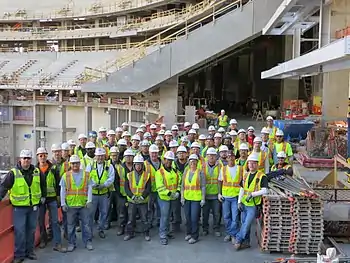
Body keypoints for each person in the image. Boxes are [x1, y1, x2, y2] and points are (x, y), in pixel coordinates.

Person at [0, 149, 47, 263]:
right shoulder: (13, 173)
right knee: (20, 231)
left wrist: (43, 197)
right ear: (20, 159)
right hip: (19, 208)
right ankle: (19, 255)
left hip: (33, 207)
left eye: (28, 158)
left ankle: (29, 252)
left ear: (31, 159)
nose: (26, 160)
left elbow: (43, 185)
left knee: (31, 230)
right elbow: (3, 188)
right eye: (24, 158)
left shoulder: (36, 171)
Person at [235, 153, 268, 250]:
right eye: (250, 163)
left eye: (254, 163)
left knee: (246, 224)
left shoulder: (262, 176)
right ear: (248, 164)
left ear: (257, 164)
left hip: (253, 205)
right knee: (244, 223)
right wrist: (239, 201)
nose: (251, 165)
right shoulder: (245, 175)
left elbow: (265, 190)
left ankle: (238, 239)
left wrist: (253, 194)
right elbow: (242, 189)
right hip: (244, 203)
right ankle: (246, 242)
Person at [60, 155, 93, 252]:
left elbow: (90, 187)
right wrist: (63, 203)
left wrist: (89, 200)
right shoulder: (66, 175)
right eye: (73, 163)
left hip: (83, 205)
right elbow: (62, 190)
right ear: (70, 164)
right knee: (70, 226)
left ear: (80, 164)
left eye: (77, 163)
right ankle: (71, 243)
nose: (75, 165)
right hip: (71, 205)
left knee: (86, 225)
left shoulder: (87, 175)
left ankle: (88, 242)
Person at [36, 147, 66, 252]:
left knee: (54, 221)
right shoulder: (34, 169)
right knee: (40, 221)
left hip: (52, 198)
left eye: (44, 155)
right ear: (37, 157)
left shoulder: (53, 168)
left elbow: (58, 184)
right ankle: (43, 240)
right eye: (40, 155)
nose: (42, 157)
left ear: (47, 155)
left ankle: (57, 243)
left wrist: (58, 197)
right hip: (40, 199)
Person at [86, 148, 115, 238]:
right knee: (90, 214)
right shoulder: (90, 165)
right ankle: (89, 232)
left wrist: (104, 185)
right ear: (95, 156)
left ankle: (101, 229)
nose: (100, 158)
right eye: (98, 156)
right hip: (93, 194)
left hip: (104, 193)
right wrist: (93, 184)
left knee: (104, 213)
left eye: (102, 156)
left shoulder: (109, 166)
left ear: (104, 156)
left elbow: (111, 177)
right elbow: (87, 176)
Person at [218, 150, 244, 243]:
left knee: (235, 217)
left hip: (236, 197)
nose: (230, 158)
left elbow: (243, 182)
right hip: (226, 196)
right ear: (227, 158)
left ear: (234, 158)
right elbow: (220, 181)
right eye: (228, 157)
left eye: (232, 156)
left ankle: (233, 234)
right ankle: (229, 233)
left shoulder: (241, 168)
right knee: (226, 216)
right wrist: (219, 193)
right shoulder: (223, 169)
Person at [156, 151, 181, 245]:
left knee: (169, 216)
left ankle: (166, 232)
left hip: (173, 198)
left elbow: (179, 182)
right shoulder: (159, 172)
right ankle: (163, 235)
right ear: (164, 160)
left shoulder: (175, 171)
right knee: (164, 217)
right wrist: (170, 194)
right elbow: (160, 187)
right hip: (164, 199)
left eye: (171, 160)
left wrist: (178, 191)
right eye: (167, 160)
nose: (169, 162)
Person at [124, 154, 151, 241]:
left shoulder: (147, 175)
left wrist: (143, 197)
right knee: (131, 219)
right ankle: (129, 233)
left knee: (144, 218)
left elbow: (148, 188)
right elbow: (126, 188)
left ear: (142, 165)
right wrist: (132, 196)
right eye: (136, 164)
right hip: (132, 201)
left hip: (143, 201)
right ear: (134, 165)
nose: (138, 166)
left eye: (140, 164)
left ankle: (146, 233)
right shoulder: (129, 175)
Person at [181, 154, 206, 244]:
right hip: (187, 198)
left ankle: (195, 236)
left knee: (194, 218)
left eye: (194, 161)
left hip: (196, 198)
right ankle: (188, 233)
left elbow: (203, 186)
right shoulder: (186, 171)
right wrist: (182, 197)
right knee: (187, 217)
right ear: (189, 162)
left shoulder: (200, 172)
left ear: (197, 162)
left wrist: (203, 198)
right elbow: (182, 186)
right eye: (191, 161)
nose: (192, 163)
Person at [202, 147, 221, 237]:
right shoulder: (202, 166)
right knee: (205, 214)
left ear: (216, 156)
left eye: (213, 155)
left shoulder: (220, 166)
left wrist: (220, 193)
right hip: (205, 194)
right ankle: (205, 228)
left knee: (216, 213)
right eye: (210, 155)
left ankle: (216, 228)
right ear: (207, 156)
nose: (211, 157)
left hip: (216, 194)